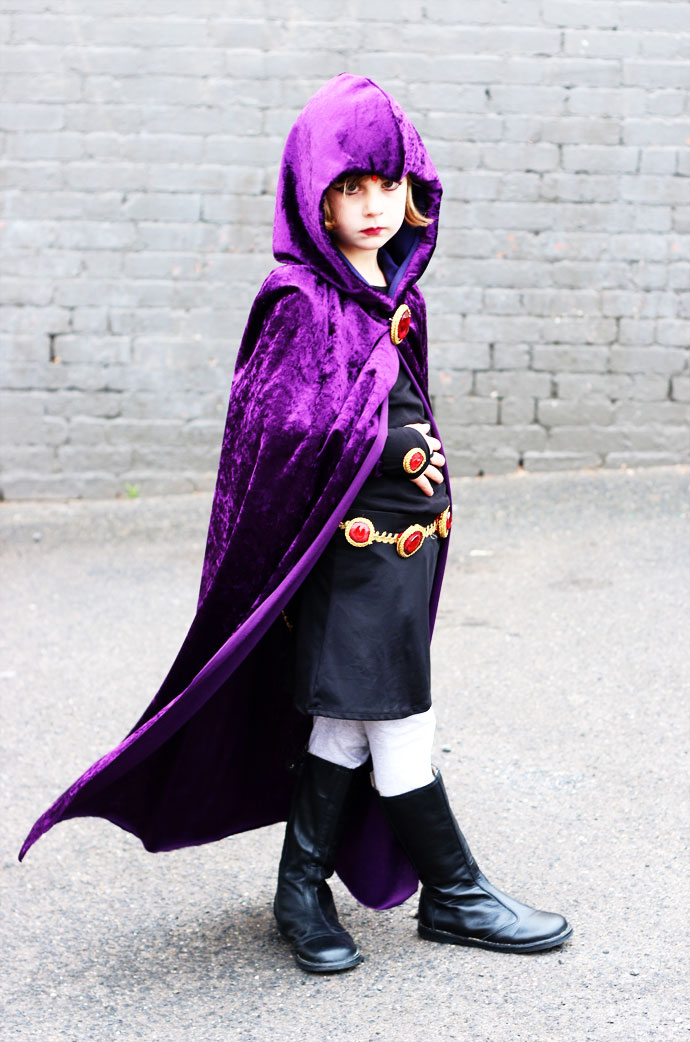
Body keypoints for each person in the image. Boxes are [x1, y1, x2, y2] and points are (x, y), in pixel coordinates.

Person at [19, 75, 572, 973]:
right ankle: (456, 894)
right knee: (401, 722)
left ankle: (300, 890)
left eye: (388, 185)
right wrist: (378, 442)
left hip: (405, 555)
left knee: (349, 723)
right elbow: (275, 435)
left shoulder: (398, 294)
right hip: (346, 563)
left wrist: (415, 458)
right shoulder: (298, 300)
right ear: (313, 195)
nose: (374, 206)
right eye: (351, 187)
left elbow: (399, 400)